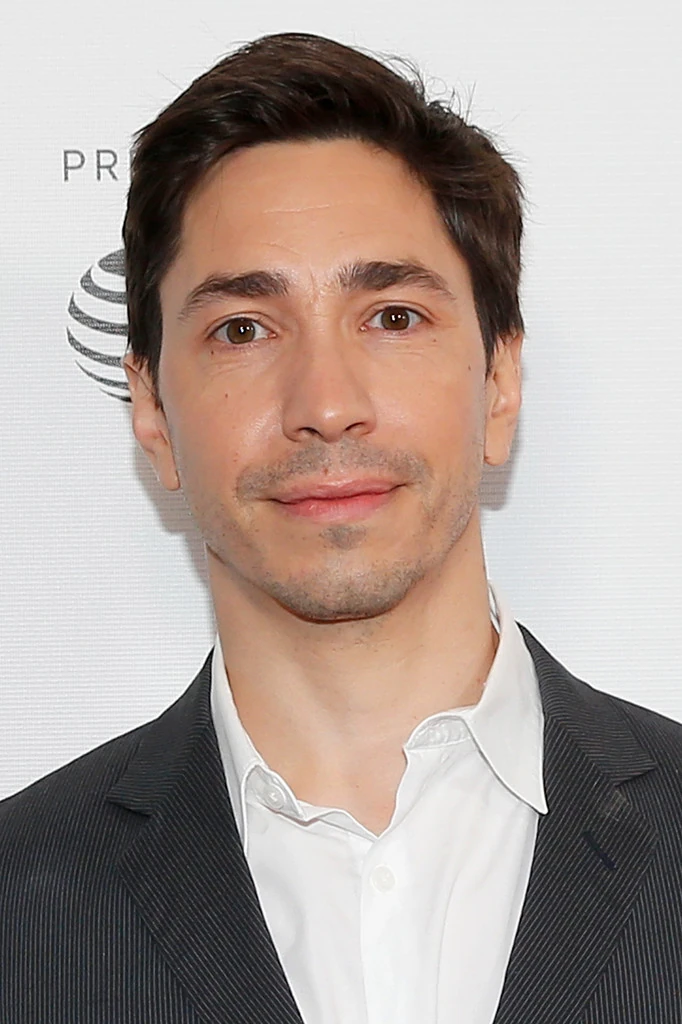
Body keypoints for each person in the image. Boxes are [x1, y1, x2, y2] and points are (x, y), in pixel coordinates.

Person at [1, 30, 681, 1024]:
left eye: (393, 317)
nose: (325, 403)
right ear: (151, 413)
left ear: (499, 382)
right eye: (243, 329)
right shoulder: (19, 905)